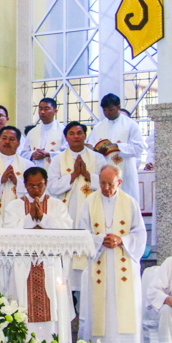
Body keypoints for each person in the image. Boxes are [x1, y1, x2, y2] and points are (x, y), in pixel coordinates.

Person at [77, 165, 147, 343]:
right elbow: (81, 234)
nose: (106, 188)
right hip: (99, 262)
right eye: (102, 183)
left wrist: (121, 240)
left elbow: (140, 234)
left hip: (123, 264)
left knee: (123, 309)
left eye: (110, 184)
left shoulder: (130, 202)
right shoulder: (89, 202)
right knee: (101, 310)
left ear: (119, 183)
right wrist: (100, 240)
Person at [2, 167, 73, 342]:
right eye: (31, 185)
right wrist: (29, 219)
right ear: (24, 185)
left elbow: (66, 231)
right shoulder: (14, 206)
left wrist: (43, 218)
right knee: (22, 307)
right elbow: (9, 232)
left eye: (39, 185)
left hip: (50, 265)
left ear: (46, 183)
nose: (36, 190)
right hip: (23, 264)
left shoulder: (57, 205)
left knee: (53, 306)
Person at [47, 121, 106, 290]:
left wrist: (86, 174)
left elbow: (106, 183)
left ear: (85, 136)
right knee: (68, 251)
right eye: (71, 133)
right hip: (67, 211)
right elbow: (52, 186)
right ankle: (69, 292)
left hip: (92, 209)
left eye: (79, 133)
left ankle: (89, 289)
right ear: (66, 137)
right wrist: (73, 175)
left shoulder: (98, 158)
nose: (76, 137)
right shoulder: (58, 159)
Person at [89, 94, 146, 204]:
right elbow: (91, 146)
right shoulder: (98, 127)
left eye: (111, 109)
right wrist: (96, 150)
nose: (107, 113)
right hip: (105, 167)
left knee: (126, 203)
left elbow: (139, 147)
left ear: (119, 107)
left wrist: (117, 147)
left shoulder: (131, 125)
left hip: (125, 171)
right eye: (104, 110)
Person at [20, 98, 63, 168]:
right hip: (35, 170)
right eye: (40, 109)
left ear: (55, 111)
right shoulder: (32, 132)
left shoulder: (63, 131)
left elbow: (67, 153)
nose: (42, 112)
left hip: (55, 170)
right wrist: (33, 154)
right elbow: (23, 153)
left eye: (46, 109)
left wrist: (49, 154)